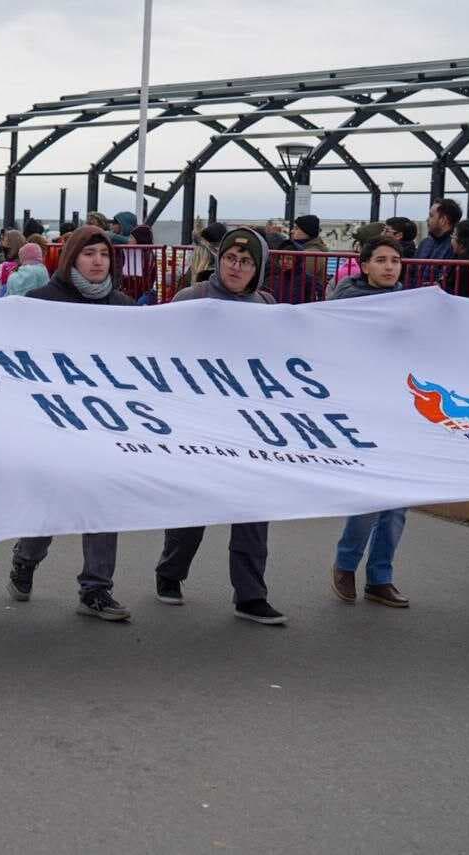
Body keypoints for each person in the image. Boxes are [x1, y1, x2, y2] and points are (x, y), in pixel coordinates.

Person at [153, 227, 286, 625]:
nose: (236, 267)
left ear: (257, 269)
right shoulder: (190, 299)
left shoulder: (267, 306)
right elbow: (159, 352)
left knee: (252, 510)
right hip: (198, 422)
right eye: (230, 258)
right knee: (192, 509)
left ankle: (250, 595)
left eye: (246, 262)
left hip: (250, 425)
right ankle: (170, 572)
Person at [8, 226, 135, 622]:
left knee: (103, 502)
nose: (98, 261)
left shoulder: (124, 307)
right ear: (72, 258)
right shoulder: (41, 301)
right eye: (89, 253)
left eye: (104, 254)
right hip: (55, 420)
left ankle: (96, 588)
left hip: (107, 422)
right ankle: (26, 557)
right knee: (55, 501)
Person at [325, 238, 412, 607]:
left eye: (395, 260)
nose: (389, 267)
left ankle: (380, 577)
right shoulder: (346, 304)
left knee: (399, 502)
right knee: (370, 496)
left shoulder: (410, 304)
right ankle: (345, 564)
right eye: (381, 260)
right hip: (361, 409)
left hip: (401, 409)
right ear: (364, 265)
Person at [412, 198, 462, 287]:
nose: (427, 219)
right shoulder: (424, 243)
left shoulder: (455, 247)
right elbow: (411, 273)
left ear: (443, 220)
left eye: (431, 216)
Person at [290, 214, 329, 283]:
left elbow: (297, 277)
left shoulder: (313, 254)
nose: (292, 231)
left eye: (296, 228)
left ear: (307, 232)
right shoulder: (303, 249)